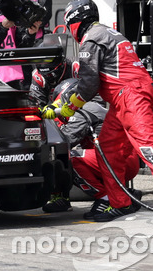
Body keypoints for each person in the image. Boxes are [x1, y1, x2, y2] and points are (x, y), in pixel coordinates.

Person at [42, 0, 153, 224]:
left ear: (74, 22)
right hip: (125, 98)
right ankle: (120, 203)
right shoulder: (107, 33)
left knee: (151, 150)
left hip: (131, 97)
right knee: (108, 146)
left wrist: (66, 109)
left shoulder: (91, 39)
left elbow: (88, 85)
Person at [39, 77, 141, 218]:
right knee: (75, 156)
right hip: (121, 159)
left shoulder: (83, 110)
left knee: (70, 158)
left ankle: (105, 198)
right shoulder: (92, 107)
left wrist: (53, 124)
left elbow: (65, 141)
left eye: (59, 103)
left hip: (119, 161)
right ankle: (125, 194)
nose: (58, 108)